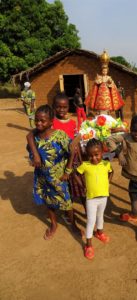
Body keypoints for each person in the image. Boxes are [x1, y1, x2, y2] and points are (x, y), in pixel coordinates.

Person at [26, 93, 86, 221]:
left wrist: (78, 142)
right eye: (58, 107)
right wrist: (35, 155)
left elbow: (76, 139)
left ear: (69, 107)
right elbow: (30, 135)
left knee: (79, 188)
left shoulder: (71, 123)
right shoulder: (49, 122)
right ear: (53, 107)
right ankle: (64, 214)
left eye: (65, 107)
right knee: (61, 189)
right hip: (55, 165)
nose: (62, 110)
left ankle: (88, 211)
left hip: (70, 160)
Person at [74, 138, 113, 260]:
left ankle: (99, 233)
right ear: (86, 155)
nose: (94, 158)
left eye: (97, 155)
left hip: (104, 197)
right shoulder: (85, 165)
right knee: (91, 220)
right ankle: (88, 245)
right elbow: (75, 174)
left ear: (102, 152)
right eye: (90, 155)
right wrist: (82, 185)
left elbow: (112, 172)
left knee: (100, 216)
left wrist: (108, 183)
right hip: (91, 199)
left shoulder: (106, 164)